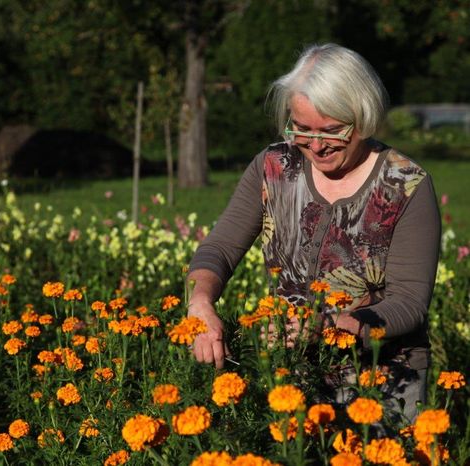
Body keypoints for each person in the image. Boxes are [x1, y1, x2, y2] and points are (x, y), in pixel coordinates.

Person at [186, 43, 440, 422]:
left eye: (333, 131)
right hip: (291, 375)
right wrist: (200, 302)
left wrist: (330, 326)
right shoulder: (274, 166)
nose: (316, 146)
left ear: (363, 116)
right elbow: (220, 248)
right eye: (301, 129)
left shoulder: (404, 184)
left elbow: (408, 303)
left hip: (381, 381)